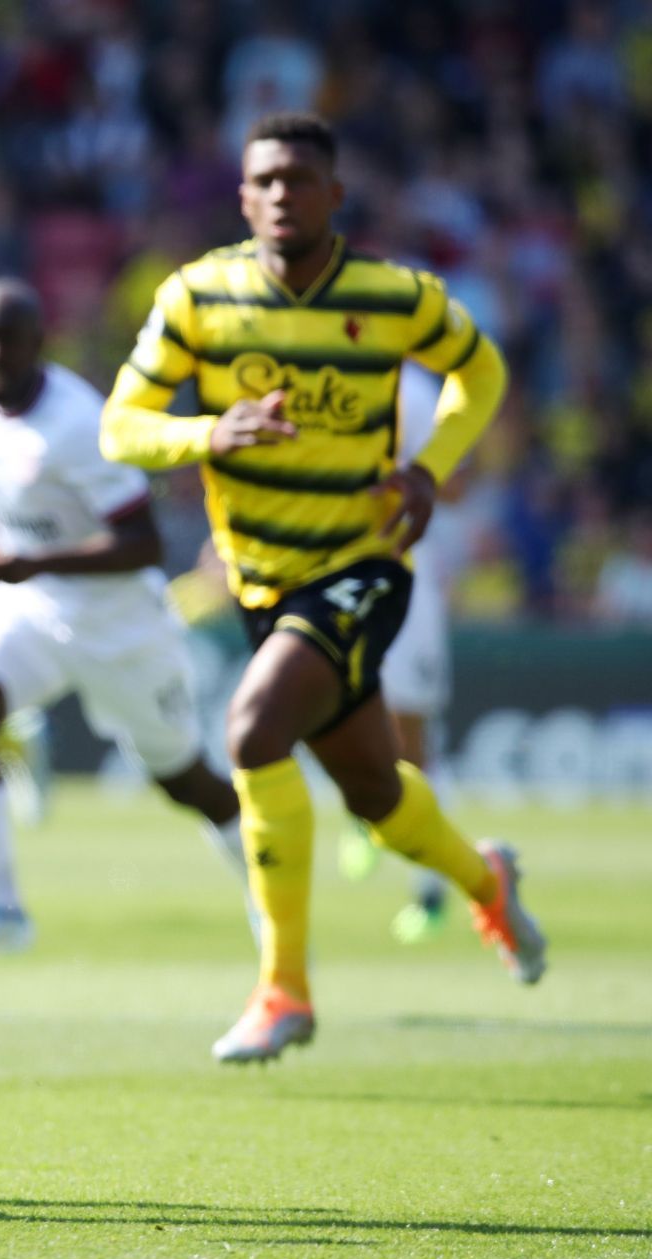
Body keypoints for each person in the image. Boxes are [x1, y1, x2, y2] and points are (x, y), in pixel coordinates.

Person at [102, 112, 547, 1065]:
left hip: (363, 566)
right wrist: (206, 434)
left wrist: (430, 468)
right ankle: (487, 881)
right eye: (263, 180)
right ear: (241, 196)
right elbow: (122, 426)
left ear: (333, 194)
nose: (280, 195)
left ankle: (282, 991)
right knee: (377, 796)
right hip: (262, 585)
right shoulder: (198, 297)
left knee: (254, 730)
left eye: (299, 179)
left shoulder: (395, 297)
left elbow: (482, 368)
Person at [0, 277, 255, 969]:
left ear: (39, 342)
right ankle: (1, 907)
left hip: (120, 626)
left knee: (184, 779)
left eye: (6, 339)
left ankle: (268, 894)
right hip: (33, 612)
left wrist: (32, 563)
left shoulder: (80, 423)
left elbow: (145, 545)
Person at [338, 363, 458, 941]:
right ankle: (363, 811)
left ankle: (430, 887)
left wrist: (411, 475)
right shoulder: (316, 365)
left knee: (411, 735)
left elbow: (455, 482)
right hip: (333, 572)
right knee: (326, 705)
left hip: (405, 569)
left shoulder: (412, 390)